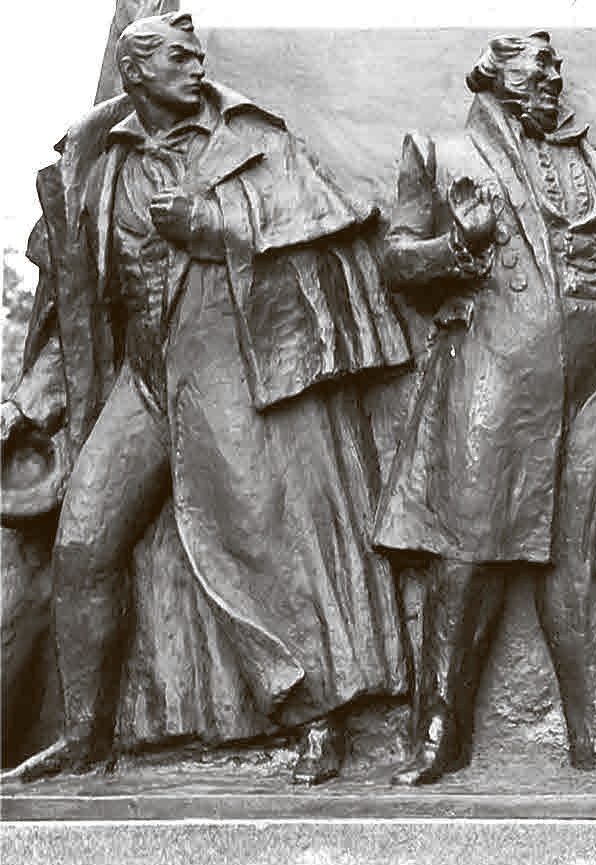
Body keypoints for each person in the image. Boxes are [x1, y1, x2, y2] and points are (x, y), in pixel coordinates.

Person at [1, 12, 410, 785]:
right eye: (178, 58)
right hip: (146, 382)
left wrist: (214, 224)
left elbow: (327, 237)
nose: (197, 66)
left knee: (263, 543)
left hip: (226, 373)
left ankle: (320, 721)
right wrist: (30, 401)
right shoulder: (102, 162)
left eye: (197, 56)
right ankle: (85, 738)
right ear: (136, 73)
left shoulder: (251, 140)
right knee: (84, 542)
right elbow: (83, 309)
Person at [373, 31, 596, 785]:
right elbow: (395, 261)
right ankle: (437, 734)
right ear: (495, 72)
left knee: (579, 562)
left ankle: (595, 733)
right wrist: (458, 244)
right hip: (496, 376)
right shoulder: (443, 151)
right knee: (468, 555)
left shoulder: (595, 164)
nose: (553, 74)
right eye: (536, 64)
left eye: (554, 64)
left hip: (591, 386)